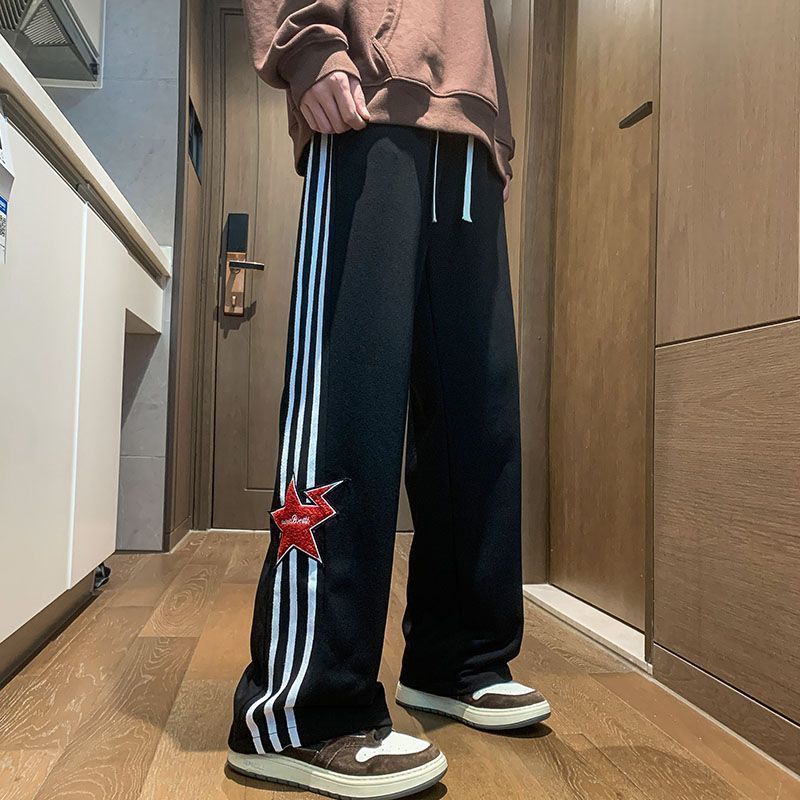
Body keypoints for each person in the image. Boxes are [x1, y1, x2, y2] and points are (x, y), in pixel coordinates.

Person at [226, 1, 551, 797]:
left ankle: (456, 659)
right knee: (351, 401)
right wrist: (310, 47)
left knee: (476, 418)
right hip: (365, 102)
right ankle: (301, 707)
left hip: (469, 133)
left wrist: (494, 130)